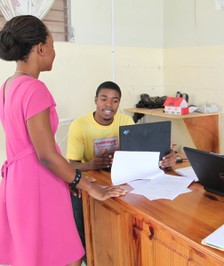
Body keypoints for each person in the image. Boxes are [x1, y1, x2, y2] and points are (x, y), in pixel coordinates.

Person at [0, 15, 127, 266]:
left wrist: (69, 177)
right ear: (40, 48)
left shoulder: (9, 85)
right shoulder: (35, 89)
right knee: (68, 256)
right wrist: (88, 186)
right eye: (53, 46)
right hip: (39, 183)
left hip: (18, 181)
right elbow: (46, 154)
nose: (55, 53)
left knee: (35, 254)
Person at [66, 80, 177, 254]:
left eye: (115, 100)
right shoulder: (79, 125)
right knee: (76, 197)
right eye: (104, 99)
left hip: (120, 177)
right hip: (92, 181)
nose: (109, 104)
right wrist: (91, 164)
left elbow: (138, 154)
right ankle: (86, 252)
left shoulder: (125, 120)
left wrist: (168, 157)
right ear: (95, 100)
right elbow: (70, 166)